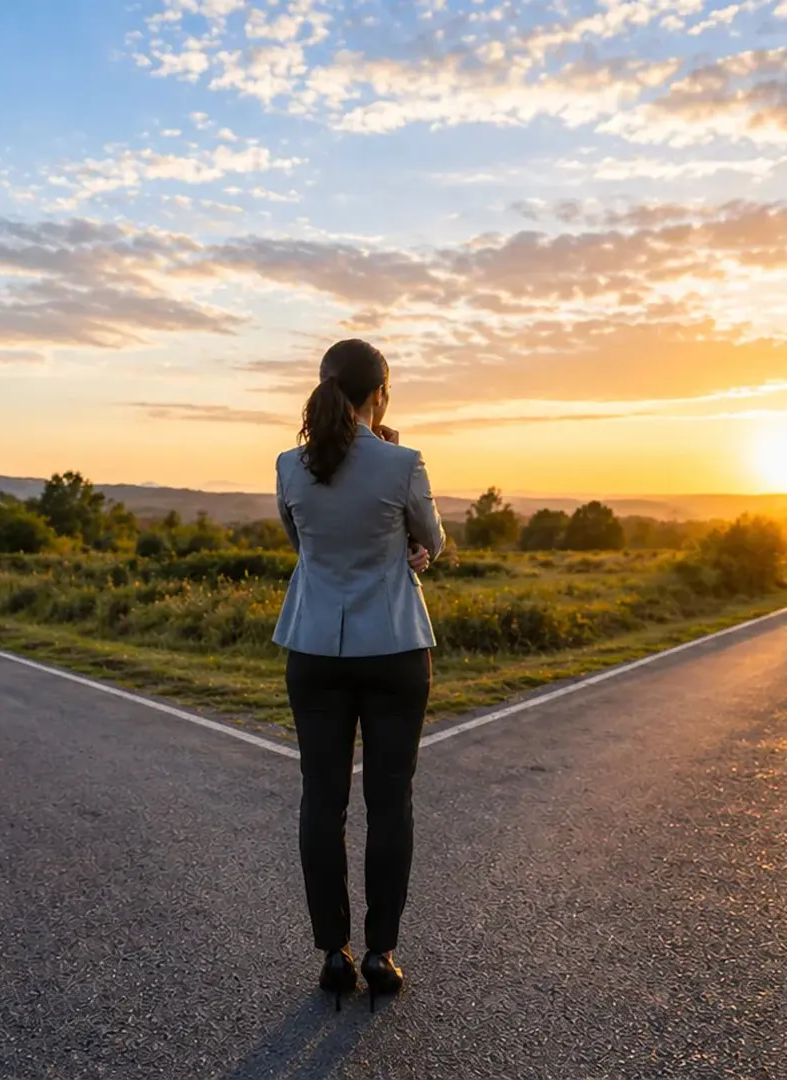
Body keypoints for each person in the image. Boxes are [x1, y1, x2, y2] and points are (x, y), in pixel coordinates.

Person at [273, 338, 445, 1012]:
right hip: (395, 650)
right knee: (389, 800)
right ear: (381, 393)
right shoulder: (403, 462)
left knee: (322, 799)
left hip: (314, 650)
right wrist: (413, 550)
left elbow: (303, 548)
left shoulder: (290, 465)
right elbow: (430, 541)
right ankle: (381, 952)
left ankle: (332, 955)